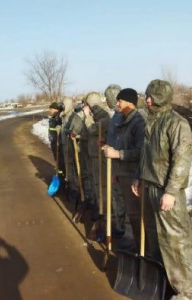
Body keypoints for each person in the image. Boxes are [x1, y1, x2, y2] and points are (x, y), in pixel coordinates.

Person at [132, 79, 192, 299]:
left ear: (161, 98)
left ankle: (188, 293)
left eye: (151, 95)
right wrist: (139, 178)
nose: (147, 99)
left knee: (177, 243)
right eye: (147, 94)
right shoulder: (149, 122)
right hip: (150, 188)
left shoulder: (177, 123)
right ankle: (166, 284)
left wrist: (171, 191)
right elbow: (146, 155)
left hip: (166, 192)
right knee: (156, 241)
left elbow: (182, 160)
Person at [103, 88, 145, 250]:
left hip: (133, 174)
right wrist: (116, 172)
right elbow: (121, 145)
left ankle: (138, 244)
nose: (117, 103)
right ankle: (132, 239)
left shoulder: (138, 123)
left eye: (120, 100)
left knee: (134, 213)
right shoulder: (123, 120)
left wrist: (117, 154)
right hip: (123, 173)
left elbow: (140, 152)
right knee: (129, 209)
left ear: (129, 102)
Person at [81, 92, 111, 222]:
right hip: (92, 155)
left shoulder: (105, 118)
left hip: (101, 158)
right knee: (95, 183)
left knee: (102, 185)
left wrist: (87, 116)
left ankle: (105, 212)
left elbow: (93, 129)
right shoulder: (94, 116)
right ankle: (99, 208)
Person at [104, 84, 126, 237]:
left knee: (124, 197)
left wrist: (116, 152)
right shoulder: (115, 116)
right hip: (114, 161)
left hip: (124, 162)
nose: (107, 101)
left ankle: (126, 228)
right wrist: (106, 143)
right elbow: (113, 137)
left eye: (108, 98)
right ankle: (119, 223)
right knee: (116, 195)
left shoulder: (129, 117)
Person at [48, 102, 65, 180]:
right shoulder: (53, 118)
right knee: (57, 161)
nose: (50, 111)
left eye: (51, 109)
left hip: (58, 143)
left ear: (56, 109)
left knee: (60, 161)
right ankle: (59, 175)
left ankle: (62, 178)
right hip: (54, 142)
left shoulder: (58, 118)